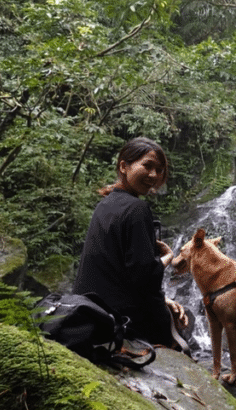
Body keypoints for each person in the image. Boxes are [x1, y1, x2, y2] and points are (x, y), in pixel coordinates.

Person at [73, 136, 187, 348]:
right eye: (147, 165)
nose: (153, 175)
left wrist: (164, 300)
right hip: (121, 322)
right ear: (124, 166)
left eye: (159, 169)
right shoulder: (136, 209)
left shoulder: (105, 205)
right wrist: (167, 258)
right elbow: (143, 276)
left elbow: (115, 270)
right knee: (178, 338)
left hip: (90, 313)